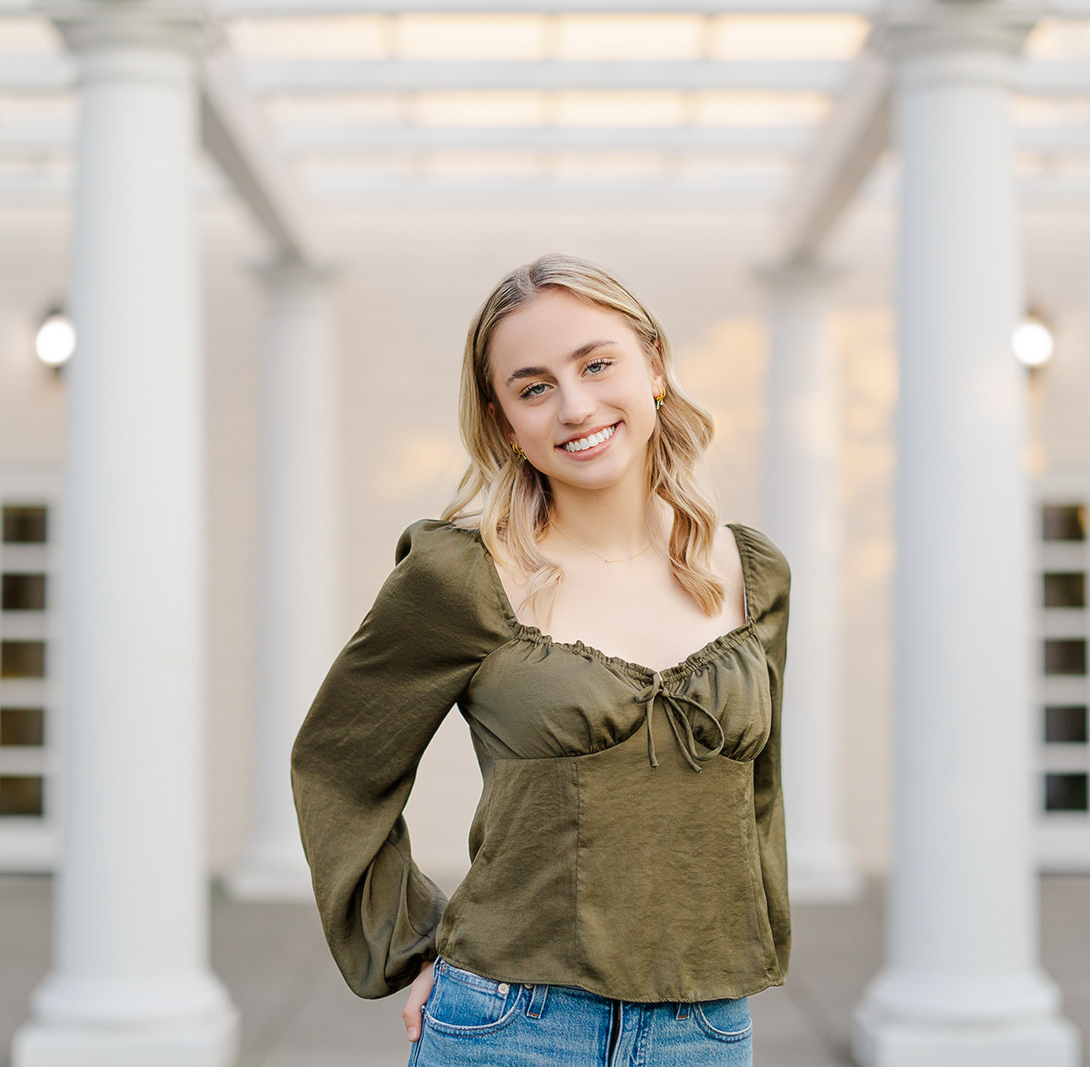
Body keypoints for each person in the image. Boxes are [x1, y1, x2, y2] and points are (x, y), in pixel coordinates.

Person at [290, 252, 791, 1066]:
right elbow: (338, 763)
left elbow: (758, 796)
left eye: (597, 363)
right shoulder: (459, 575)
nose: (576, 405)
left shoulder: (753, 572)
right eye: (534, 387)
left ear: (653, 365)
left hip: (705, 1027)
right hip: (509, 1024)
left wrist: (747, 947)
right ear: (504, 420)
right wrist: (409, 942)